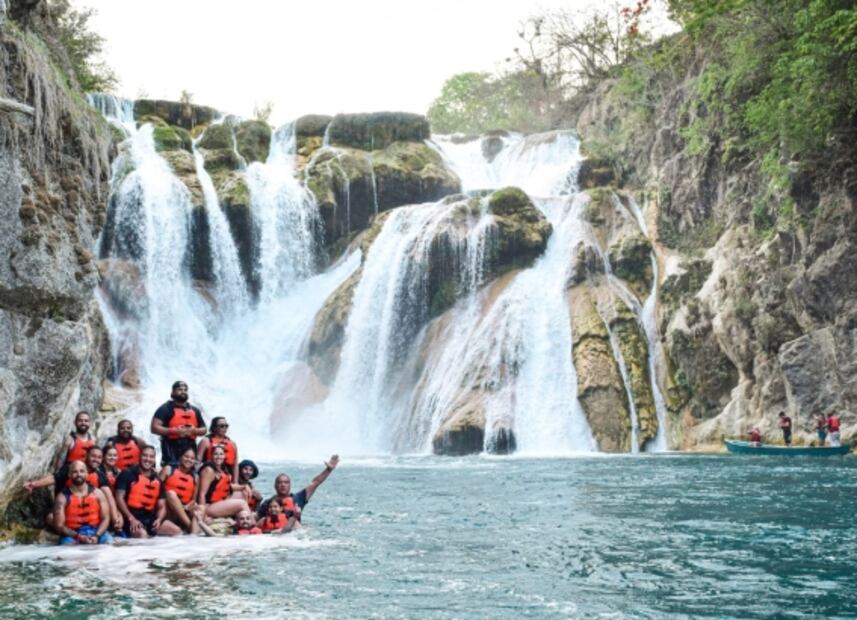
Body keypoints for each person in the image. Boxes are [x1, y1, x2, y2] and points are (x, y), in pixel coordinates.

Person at [24, 446, 122, 532]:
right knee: (50, 518)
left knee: (114, 515)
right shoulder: (72, 468)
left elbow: (109, 497)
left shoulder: (100, 475)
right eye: (93, 456)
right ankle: (69, 532)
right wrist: (34, 484)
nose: (96, 460)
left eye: (99, 457)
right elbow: (54, 478)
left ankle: (95, 531)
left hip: (89, 513)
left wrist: (115, 519)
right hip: (68, 511)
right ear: (86, 456)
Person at [115, 445, 182, 538]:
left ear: (154, 460)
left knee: (176, 531)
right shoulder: (127, 474)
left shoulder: (157, 480)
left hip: (149, 519)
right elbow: (119, 498)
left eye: (151, 457)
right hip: (129, 518)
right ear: (140, 456)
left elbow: (162, 506)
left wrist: (159, 519)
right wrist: (131, 518)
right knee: (142, 535)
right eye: (145, 455)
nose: (148, 459)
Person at [256, 455, 339, 523]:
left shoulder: (299, 498)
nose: (283, 485)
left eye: (286, 482)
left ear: (290, 485)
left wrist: (328, 470)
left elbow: (315, 482)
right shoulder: (268, 503)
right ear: (275, 486)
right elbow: (256, 518)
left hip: (293, 534)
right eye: (280, 482)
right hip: (273, 534)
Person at [53, 460, 113, 545]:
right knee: (66, 545)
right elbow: (59, 526)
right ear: (69, 475)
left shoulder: (98, 493)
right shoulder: (62, 497)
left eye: (82, 471)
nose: (79, 474)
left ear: (87, 473)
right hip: (72, 534)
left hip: (96, 531)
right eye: (75, 472)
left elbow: (106, 519)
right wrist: (79, 537)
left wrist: (97, 535)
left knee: (110, 542)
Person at [150, 381, 206, 467]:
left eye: (185, 390)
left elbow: (204, 429)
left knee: (190, 471)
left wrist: (194, 430)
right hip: (171, 447)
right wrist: (175, 431)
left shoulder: (195, 410)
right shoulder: (165, 409)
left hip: (190, 447)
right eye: (180, 389)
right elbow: (154, 428)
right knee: (171, 471)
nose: (183, 391)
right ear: (173, 392)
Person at [160, 447, 205, 534]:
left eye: (192, 458)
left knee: (201, 508)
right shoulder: (168, 470)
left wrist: (188, 506)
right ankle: (189, 526)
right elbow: (156, 490)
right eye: (186, 456)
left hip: (185, 509)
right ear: (180, 457)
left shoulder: (196, 477)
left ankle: (194, 535)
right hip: (168, 510)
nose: (189, 460)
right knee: (171, 494)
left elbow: (193, 500)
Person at [197, 444, 249, 519]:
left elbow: (228, 487)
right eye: (216, 454)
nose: (218, 456)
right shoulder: (209, 470)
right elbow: (201, 494)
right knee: (242, 503)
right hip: (209, 506)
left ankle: (242, 519)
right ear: (211, 456)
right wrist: (203, 515)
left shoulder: (221, 469)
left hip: (218, 502)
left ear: (224, 456)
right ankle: (251, 523)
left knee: (242, 494)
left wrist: (244, 486)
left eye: (221, 454)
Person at [196, 417, 239, 482]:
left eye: (226, 426)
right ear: (214, 427)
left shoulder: (233, 444)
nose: (224, 428)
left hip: (227, 476)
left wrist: (235, 482)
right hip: (210, 475)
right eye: (222, 426)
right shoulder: (205, 441)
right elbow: (197, 462)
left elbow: (235, 466)